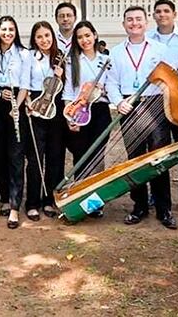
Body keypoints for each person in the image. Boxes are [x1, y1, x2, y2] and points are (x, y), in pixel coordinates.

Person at [105, 6, 176, 229]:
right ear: (124, 24)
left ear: (146, 23)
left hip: (155, 106)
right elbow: (111, 83)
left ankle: (164, 209)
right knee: (135, 159)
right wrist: (119, 102)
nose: (134, 23)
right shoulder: (116, 52)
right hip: (129, 107)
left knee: (158, 158)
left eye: (138, 19)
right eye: (129, 20)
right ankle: (140, 207)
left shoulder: (160, 49)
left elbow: (169, 78)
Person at [146, 0, 178, 214]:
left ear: (174, 14)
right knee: (159, 152)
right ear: (154, 16)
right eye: (158, 11)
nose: (162, 14)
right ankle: (156, 196)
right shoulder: (146, 39)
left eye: (166, 11)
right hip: (156, 102)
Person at [62, 21, 111, 218]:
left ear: (95, 35)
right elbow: (68, 92)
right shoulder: (71, 61)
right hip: (78, 111)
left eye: (87, 35)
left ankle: (95, 203)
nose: (84, 40)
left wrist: (104, 90)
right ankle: (79, 199)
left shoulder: (107, 60)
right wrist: (69, 117)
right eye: (80, 37)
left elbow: (112, 85)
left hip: (100, 110)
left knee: (98, 156)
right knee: (81, 156)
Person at [17, 21, 64, 221]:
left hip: (56, 106)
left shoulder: (60, 57)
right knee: (35, 158)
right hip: (35, 104)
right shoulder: (29, 56)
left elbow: (67, 86)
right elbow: (25, 83)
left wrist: (60, 75)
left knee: (55, 157)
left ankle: (49, 200)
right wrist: (26, 103)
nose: (44, 40)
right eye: (39, 37)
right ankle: (33, 203)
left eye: (47, 36)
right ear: (34, 39)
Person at [0, 16, 28, 226]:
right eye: (4, 29)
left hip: (15, 107)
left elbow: (25, 84)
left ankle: (14, 205)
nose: (7, 33)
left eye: (11, 29)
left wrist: (16, 106)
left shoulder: (23, 54)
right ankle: (4, 198)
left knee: (15, 156)